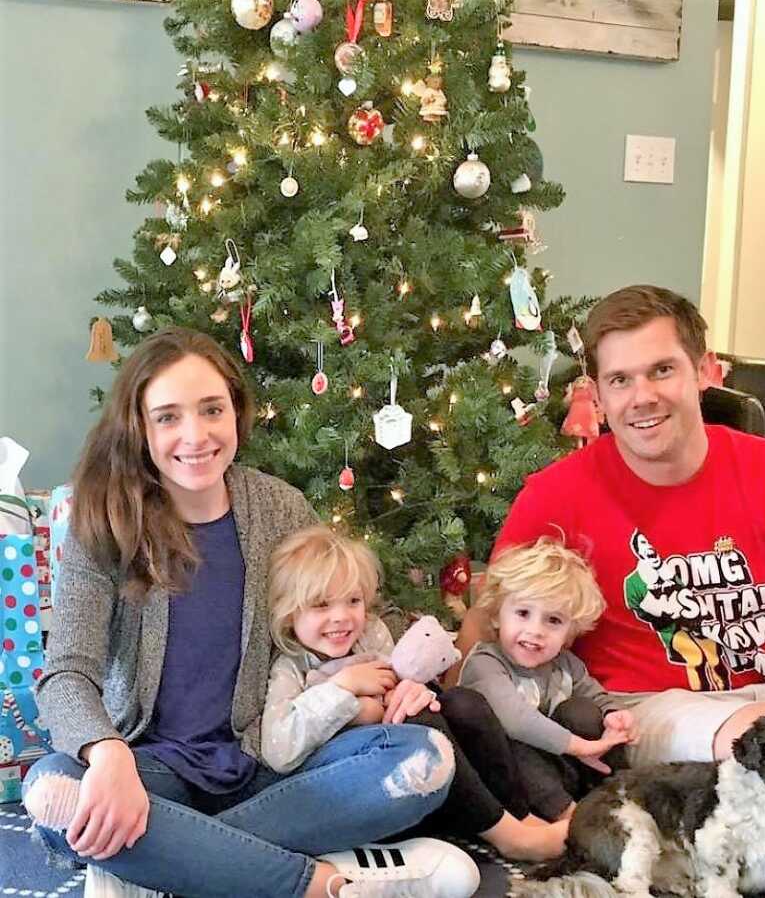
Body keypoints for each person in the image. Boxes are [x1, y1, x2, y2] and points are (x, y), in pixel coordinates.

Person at [451, 285, 765, 883]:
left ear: (707, 372)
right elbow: (486, 626)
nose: (642, 398)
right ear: (599, 396)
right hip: (652, 708)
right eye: (620, 380)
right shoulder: (555, 496)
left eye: (662, 370)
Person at [22, 328, 478, 898]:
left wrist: (404, 680)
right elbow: (66, 671)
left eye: (212, 409)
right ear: (139, 427)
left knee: (425, 757)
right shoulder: (108, 523)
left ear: (236, 411)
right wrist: (108, 755)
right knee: (51, 788)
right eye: (167, 417)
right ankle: (320, 884)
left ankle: (164, 865)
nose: (195, 435)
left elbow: (353, 608)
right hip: (152, 771)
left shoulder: (281, 507)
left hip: (272, 761)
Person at [263, 525, 569, 862]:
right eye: (321, 605)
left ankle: (518, 813)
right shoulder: (291, 667)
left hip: (427, 772)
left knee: (464, 703)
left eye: (353, 600)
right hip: (375, 786)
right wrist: (344, 688)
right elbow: (279, 750)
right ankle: (512, 838)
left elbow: (400, 681)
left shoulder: (371, 633)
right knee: (417, 722)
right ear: (291, 613)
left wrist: (414, 689)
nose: (341, 617)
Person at [458, 537, 638, 822]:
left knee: (582, 711)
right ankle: (570, 818)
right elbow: (515, 719)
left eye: (553, 621)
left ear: (570, 632)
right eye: (523, 613)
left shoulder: (565, 665)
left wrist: (613, 716)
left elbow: (596, 695)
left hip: (556, 768)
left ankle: (619, 796)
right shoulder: (485, 663)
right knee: (514, 742)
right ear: (496, 616)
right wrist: (581, 746)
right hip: (505, 780)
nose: (535, 630)